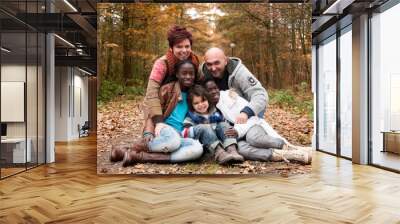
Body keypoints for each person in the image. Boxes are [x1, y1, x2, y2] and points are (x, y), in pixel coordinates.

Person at [110, 60, 203, 166]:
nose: (188, 76)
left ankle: (134, 156)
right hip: (164, 130)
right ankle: (132, 148)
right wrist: (148, 132)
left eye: (191, 73)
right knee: (174, 141)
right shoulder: (167, 90)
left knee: (197, 148)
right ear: (177, 74)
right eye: (184, 73)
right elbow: (151, 111)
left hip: (180, 135)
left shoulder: (196, 93)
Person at [204, 79, 312, 164]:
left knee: (253, 139)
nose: (213, 92)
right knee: (241, 150)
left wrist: (237, 130)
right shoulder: (207, 110)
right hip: (236, 138)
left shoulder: (231, 97)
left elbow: (251, 117)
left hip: (251, 126)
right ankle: (285, 155)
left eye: (215, 88)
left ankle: (290, 148)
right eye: (209, 90)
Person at [145, 25, 200, 139]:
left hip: (183, 105)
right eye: (179, 47)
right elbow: (151, 93)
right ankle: (148, 136)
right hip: (161, 104)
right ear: (171, 48)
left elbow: (203, 84)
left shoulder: (194, 62)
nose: (184, 50)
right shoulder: (162, 64)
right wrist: (158, 121)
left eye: (187, 46)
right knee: (153, 136)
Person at [199, 47, 268, 125]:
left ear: (225, 61)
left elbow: (260, 95)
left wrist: (246, 112)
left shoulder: (239, 72)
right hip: (222, 114)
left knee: (249, 134)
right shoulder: (203, 74)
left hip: (246, 111)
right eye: (209, 64)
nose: (213, 68)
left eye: (217, 63)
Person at [182, 85, 244, 164]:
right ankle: (219, 154)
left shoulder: (215, 113)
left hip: (221, 142)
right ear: (192, 105)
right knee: (205, 128)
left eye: (203, 101)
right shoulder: (191, 117)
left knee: (223, 124)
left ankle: (232, 150)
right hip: (207, 146)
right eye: (196, 103)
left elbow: (225, 126)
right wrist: (199, 128)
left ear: (208, 100)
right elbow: (184, 133)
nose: (201, 105)